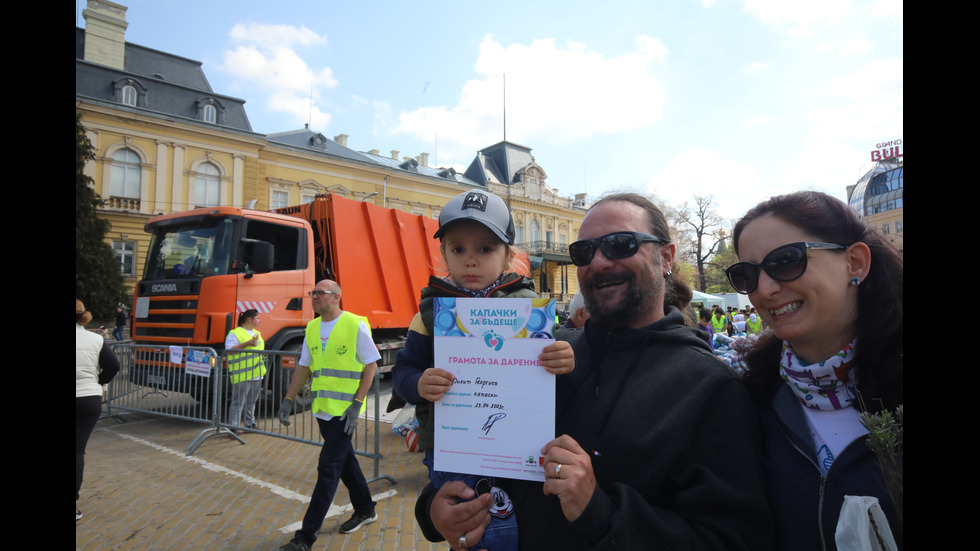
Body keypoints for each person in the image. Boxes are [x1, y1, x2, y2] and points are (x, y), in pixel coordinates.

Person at [416, 192, 772, 550]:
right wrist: (434, 509)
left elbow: (733, 539)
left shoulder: (712, 387)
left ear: (665, 256)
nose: (599, 261)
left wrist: (599, 510)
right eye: (584, 251)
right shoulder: (542, 351)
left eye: (620, 244)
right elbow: (482, 448)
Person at [392, 189, 574, 551]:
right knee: (474, 525)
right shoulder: (429, 316)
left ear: (508, 256)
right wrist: (418, 383)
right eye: (458, 249)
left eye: (485, 249)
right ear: (443, 254)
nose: (470, 261)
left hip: (519, 444)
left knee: (532, 516)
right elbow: (403, 372)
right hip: (453, 448)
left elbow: (554, 375)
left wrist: (565, 360)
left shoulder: (532, 311)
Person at [726, 190, 903, 550]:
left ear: (855, 262)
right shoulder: (749, 400)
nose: (764, 289)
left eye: (786, 261)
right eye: (748, 274)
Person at [275, 280, 381, 551]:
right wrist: (288, 399)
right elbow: (303, 367)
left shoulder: (353, 324)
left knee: (328, 468)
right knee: (346, 463)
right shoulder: (311, 327)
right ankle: (366, 509)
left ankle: (304, 538)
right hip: (323, 410)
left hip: (345, 412)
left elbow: (371, 365)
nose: (313, 297)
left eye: (319, 293)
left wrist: (357, 405)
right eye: (313, 293)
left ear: (336, 297)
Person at [77, 299, 120, 521]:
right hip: (88, 398)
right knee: (77, 451)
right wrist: (97, 383)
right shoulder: (96, 339)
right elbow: (114, 366)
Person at [225, 309, 266, 433]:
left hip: (257, 374)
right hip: (242, 374)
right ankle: (234, 427)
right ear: (250, 319)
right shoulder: (235, 333)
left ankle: (250, 424)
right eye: (257, 318)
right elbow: (229, 350)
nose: (259, 321)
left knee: (251, 402)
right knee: (238, 402)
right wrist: (247, 343)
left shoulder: (257, 333)